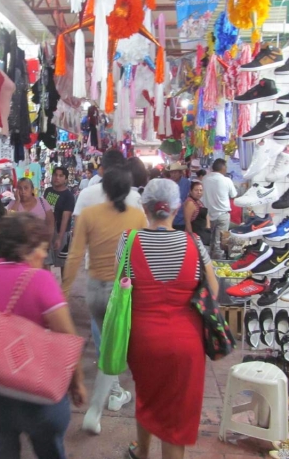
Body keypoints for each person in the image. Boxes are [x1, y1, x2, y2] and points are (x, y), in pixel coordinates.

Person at [0, 213, 87, 459]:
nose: (42, 255)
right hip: (34, 395)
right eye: (40, 249)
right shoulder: (41, 280)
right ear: (25, 250)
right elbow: (67, 337)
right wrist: (76, 382)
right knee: (49, 446)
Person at [118, 179, 218, 459]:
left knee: (147, 394)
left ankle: (142, 451)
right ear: (177, 208)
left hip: (143, 340)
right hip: (187, 343)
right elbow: (213, 290)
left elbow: (120, 285)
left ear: (144, 207)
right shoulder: (195, 243)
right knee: (175, 417)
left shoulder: (128, 241)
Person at [63, 168, 148, 434]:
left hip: (94, 291)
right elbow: (143, 257)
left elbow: (75, 255)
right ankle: (96, 409)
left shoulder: (89, 215)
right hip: (121, 292)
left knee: (110, 346)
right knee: (116, 348)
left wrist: (63, 291)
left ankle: (113, 393)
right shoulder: (137, 216)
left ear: (105, 189)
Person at [74, 150, 142, 216]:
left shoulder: (86, 194)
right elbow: (139, 226)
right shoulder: (135, 196)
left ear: (102, 169)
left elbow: (79, 225)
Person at [202, 158, 237, 260]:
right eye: (226, 166)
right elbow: (233, 194)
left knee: (211, 241)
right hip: (222, 215)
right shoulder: (226, 180)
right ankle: (216, 266)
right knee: (219, 243)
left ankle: (209, 263)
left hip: (209, 215)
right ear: (223, 168)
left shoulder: (205, 179)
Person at [43, 167, 76, 276]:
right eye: (55, 175)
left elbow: (65, 218)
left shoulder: (69, 196)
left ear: (66, 179)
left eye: (61, 176)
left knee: (63, 264)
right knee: (45, 261)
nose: (57, 178)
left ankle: (64, 291)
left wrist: (59, 237)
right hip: (47, 230)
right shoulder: (48, 191)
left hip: (61, 232)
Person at [163, 162, 191, 231]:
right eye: (171, 172)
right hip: (169, 219)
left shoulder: (187, 183)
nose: (173, 175)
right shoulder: (167, 183)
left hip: (182, 219)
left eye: (175, 172)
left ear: (180, 173)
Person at [184, 181, 211, 246]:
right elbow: (187, 222)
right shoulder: (190, 203)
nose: (199, 192)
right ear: (191, 191)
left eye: (201, 190)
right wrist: (192, 237)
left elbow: (206, 215)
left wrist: (208, 227)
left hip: (203, 234)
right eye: (196, 190)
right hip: (196, 235)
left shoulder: (198, 201)